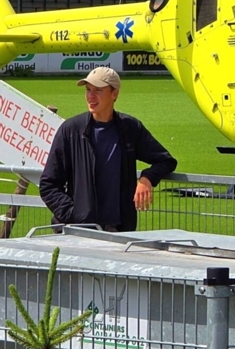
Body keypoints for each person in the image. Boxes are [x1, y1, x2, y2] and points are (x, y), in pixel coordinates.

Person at [40, 67, 177, 232]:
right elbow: (49, 184)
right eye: (88, 90)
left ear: (114, 94)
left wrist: (146, 178)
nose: (91, 96)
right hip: (78, 232)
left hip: (118, 231)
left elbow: (165, 161)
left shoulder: (130, 128)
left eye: (98, 90)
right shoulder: (70, 130)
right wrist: (73, 215)